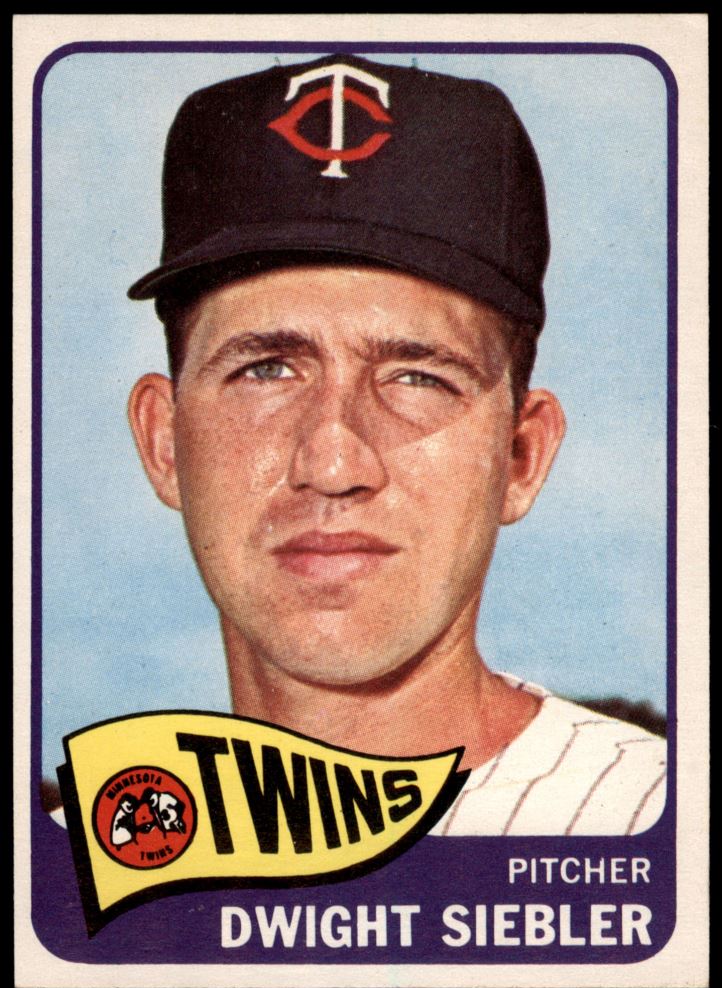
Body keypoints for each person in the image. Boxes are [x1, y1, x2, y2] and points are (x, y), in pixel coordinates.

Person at [122, 54, 665, 835]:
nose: (333, 463)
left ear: (522, 456)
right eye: (266, 369)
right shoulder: (74, 866)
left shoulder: (661, 827)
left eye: (418, 378)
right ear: (164, 442)